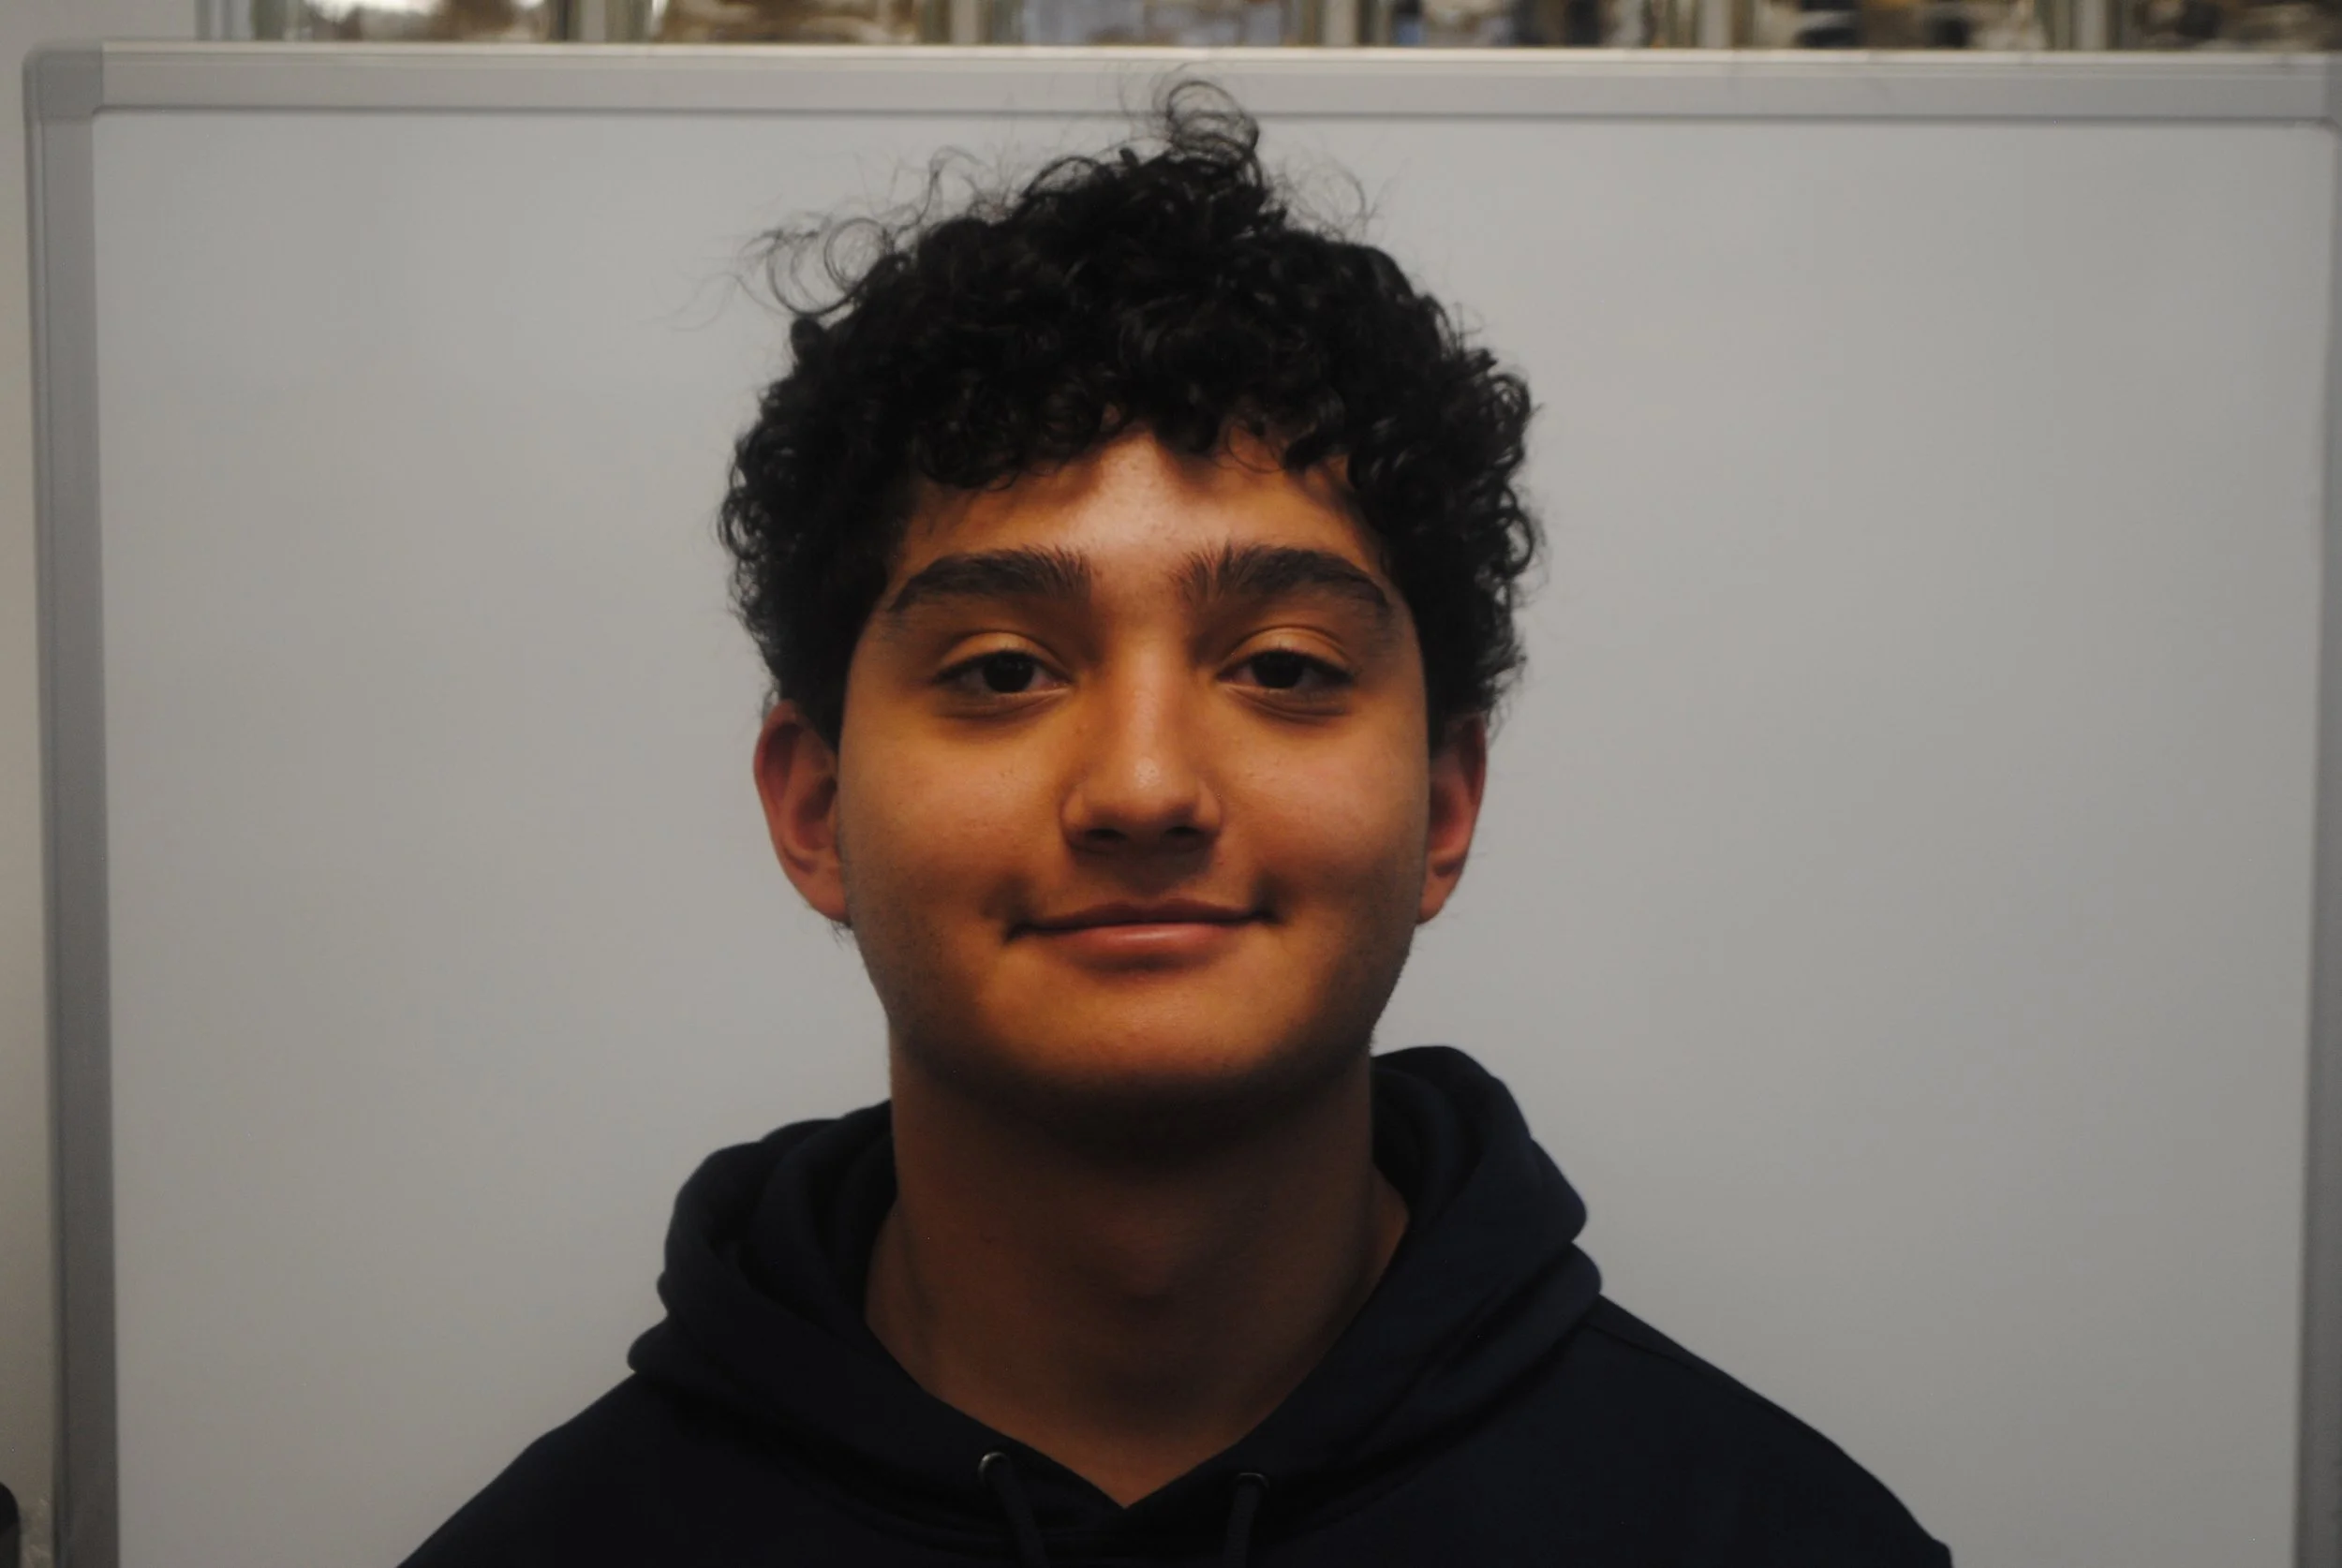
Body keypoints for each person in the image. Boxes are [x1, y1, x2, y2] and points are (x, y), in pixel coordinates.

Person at [401, 83, 1951, 1568]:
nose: (1143, 787)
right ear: (813, 806)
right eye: (1003, 670)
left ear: (1443, 806)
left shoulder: (1786, 1546)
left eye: (1283, 669)